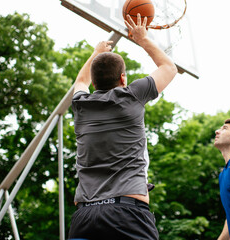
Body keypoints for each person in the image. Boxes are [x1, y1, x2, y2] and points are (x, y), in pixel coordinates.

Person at [68, 13, 177, 240]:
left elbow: (80, 81)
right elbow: (169, 68)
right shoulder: (132, 96)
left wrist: (96, 53)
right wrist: (142, 38)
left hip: (85, 216)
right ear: (123, 79)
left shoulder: (80, 105)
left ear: (94, 83)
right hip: (127, 213)